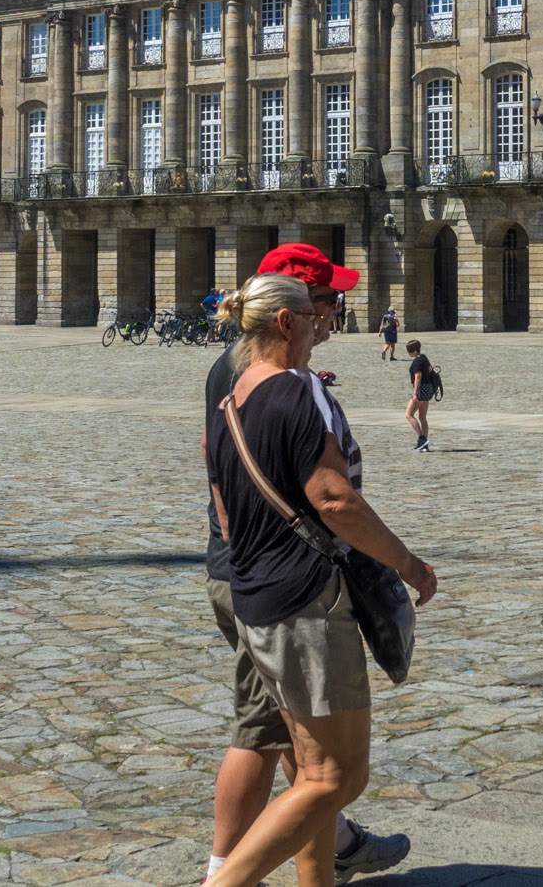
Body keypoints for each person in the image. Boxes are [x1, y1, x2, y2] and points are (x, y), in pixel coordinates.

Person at [204, 272, 435, 887]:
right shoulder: (292, 391)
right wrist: (407, 563)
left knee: (311, 776)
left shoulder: (233, 398)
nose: (320, 325)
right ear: (285, 323)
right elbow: (334, 500)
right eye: (312, 316)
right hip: (302, 601)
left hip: (255, 594)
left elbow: (224, 508)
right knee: (338, 777)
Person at [404, 340, 435, 451]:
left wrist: (415, 393)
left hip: (421, 391)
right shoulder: (424, 358)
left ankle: (422, 439)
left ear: (414, 350)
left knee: (409, 415)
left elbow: (418, 376)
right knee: (422, 417)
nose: (408, 353)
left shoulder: (417, 361)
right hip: (428, 389)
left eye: (409, 351)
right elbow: (430, 370)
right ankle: (424, 446)